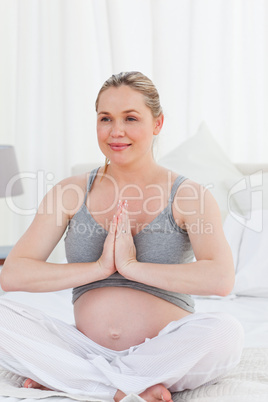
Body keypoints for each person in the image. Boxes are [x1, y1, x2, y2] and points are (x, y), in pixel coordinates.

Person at [0, 71, 244, 402]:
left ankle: (74, 378)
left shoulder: (189, 195)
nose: (116, 131)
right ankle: (121, 387)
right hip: (83, 347)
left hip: (165, 349)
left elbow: (220, 278)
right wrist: (100, 267)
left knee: (227, 332)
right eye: (106, 119)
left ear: (157, 124)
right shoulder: (70, 192)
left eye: (130, 118)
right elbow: (13, 274)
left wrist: (131, 266)